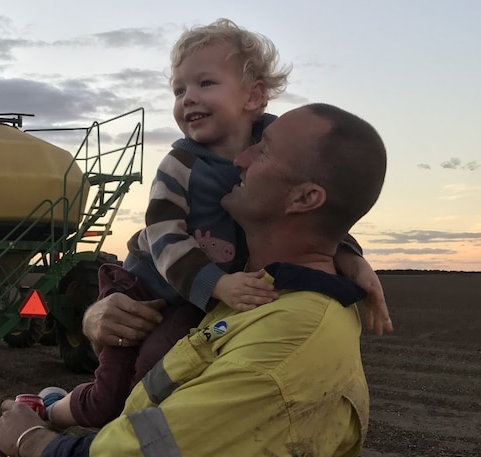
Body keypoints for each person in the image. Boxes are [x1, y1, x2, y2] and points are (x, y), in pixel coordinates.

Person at [0, 102, 388, 457]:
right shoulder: (252, 294)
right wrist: (101, 317)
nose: (238, 159)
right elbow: (159, 403)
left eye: (262, 151)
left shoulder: (284, 352)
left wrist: (34, 442)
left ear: (304, 198)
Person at [42, 19, 388, 431]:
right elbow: (164, 237)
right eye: (179, 90)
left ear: (254, 95)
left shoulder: (281, 140)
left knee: (166, 363)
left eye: (205, 83)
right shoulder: (180, 164)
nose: (188, 98)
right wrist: (218, 286)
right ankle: (52, 408)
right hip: (149, 286)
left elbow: (322, 207)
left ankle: (138, 434)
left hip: (203, 293)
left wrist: (351, 258)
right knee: (113, 395)